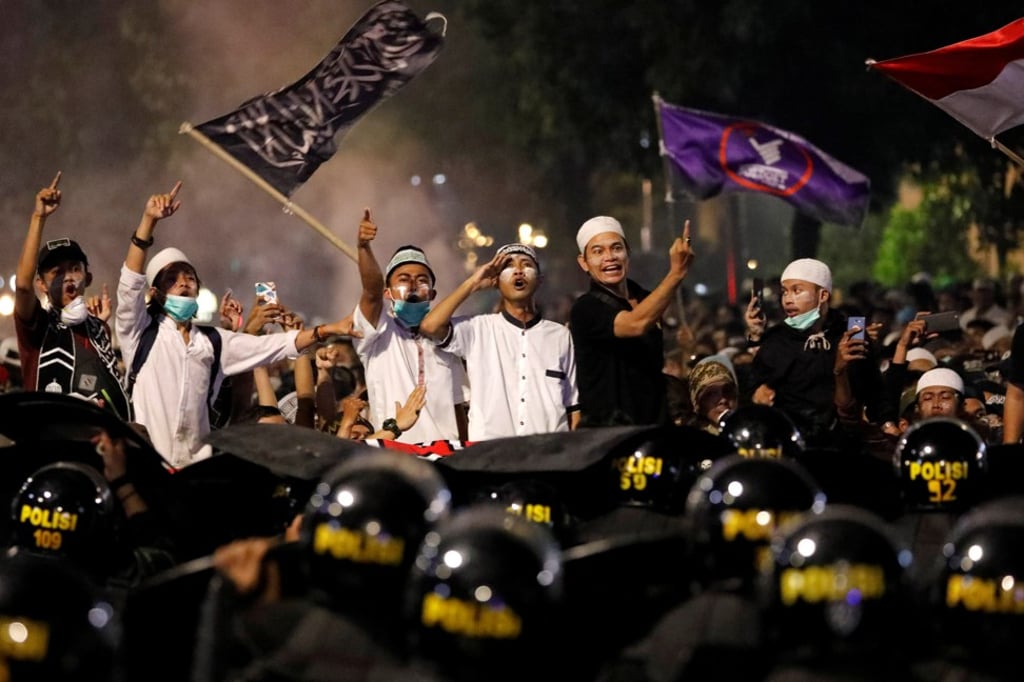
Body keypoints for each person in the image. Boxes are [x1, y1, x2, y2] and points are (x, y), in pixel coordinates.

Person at [115, 181, 359, 469]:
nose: (183, 282)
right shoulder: (139, 333)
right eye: (171, 279)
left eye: (189, 277)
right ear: (155, 294)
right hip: (148, 468)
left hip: (195, 472)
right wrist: (148, 222)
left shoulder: (213, 341)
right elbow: (130, 283)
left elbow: (273, 346)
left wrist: (326, 330)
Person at [419, 243, 579, 440]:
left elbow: (573, 407)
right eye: (508, 266)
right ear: (495, 280)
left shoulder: (560, 336)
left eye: (526, 265)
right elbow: (430, 327)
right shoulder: (477, 329)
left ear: (539, 280)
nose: (518, 271)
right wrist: (473, 284)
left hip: (549, 456)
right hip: (491, 456)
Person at [13, 172, 131, 420]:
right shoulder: (38, 327)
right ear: (41, 284)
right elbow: (23, 287)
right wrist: (38, 217)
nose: (67, 277)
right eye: (57, 272)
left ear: (87, 279)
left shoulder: (98, 330)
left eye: (74, 269)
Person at [352, 209, 471, 443]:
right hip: (396, 454)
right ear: (388, 292)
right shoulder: (377, 333)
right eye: (404, 279)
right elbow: (371, 291)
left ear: (433, 294)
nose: (414, 285)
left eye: (422, 280)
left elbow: (458, 408)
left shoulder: (447, 339)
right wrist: (363, 248)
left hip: (446, 458)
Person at [569, 216, 695, 426]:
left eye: (616, 248)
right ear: (584, 263)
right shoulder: (585, 308)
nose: (610, 257)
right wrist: (676, 273)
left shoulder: (646, 298)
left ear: (628, 253)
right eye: (598, 251)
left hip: (653, 428)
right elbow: (635, 324)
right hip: (610, 435)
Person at [745, 258, 854, 447]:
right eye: (785, 292)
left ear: (823, 296)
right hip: (791, 444)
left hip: (842, 445)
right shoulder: (776, 340)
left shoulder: (849, 335)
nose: (788, 299)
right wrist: (757, 394)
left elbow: (872, 390)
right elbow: (752, 386)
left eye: (797, 291)